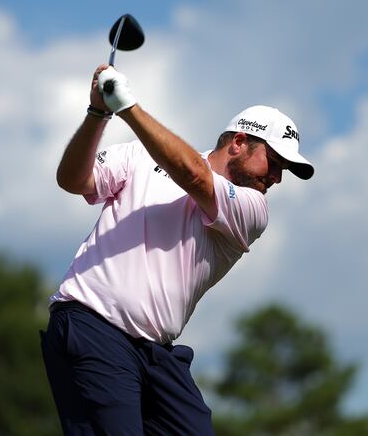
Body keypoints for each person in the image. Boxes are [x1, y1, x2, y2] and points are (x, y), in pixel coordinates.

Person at [41, 64, 314, 435]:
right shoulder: (140, 156)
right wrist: (97, 114)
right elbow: (73, 180)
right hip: (93, 326)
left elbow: (194, 175)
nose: (277, 177)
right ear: (238, 142)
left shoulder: (253, 210)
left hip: (155, 353)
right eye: (275, 161)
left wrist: (126, 106)